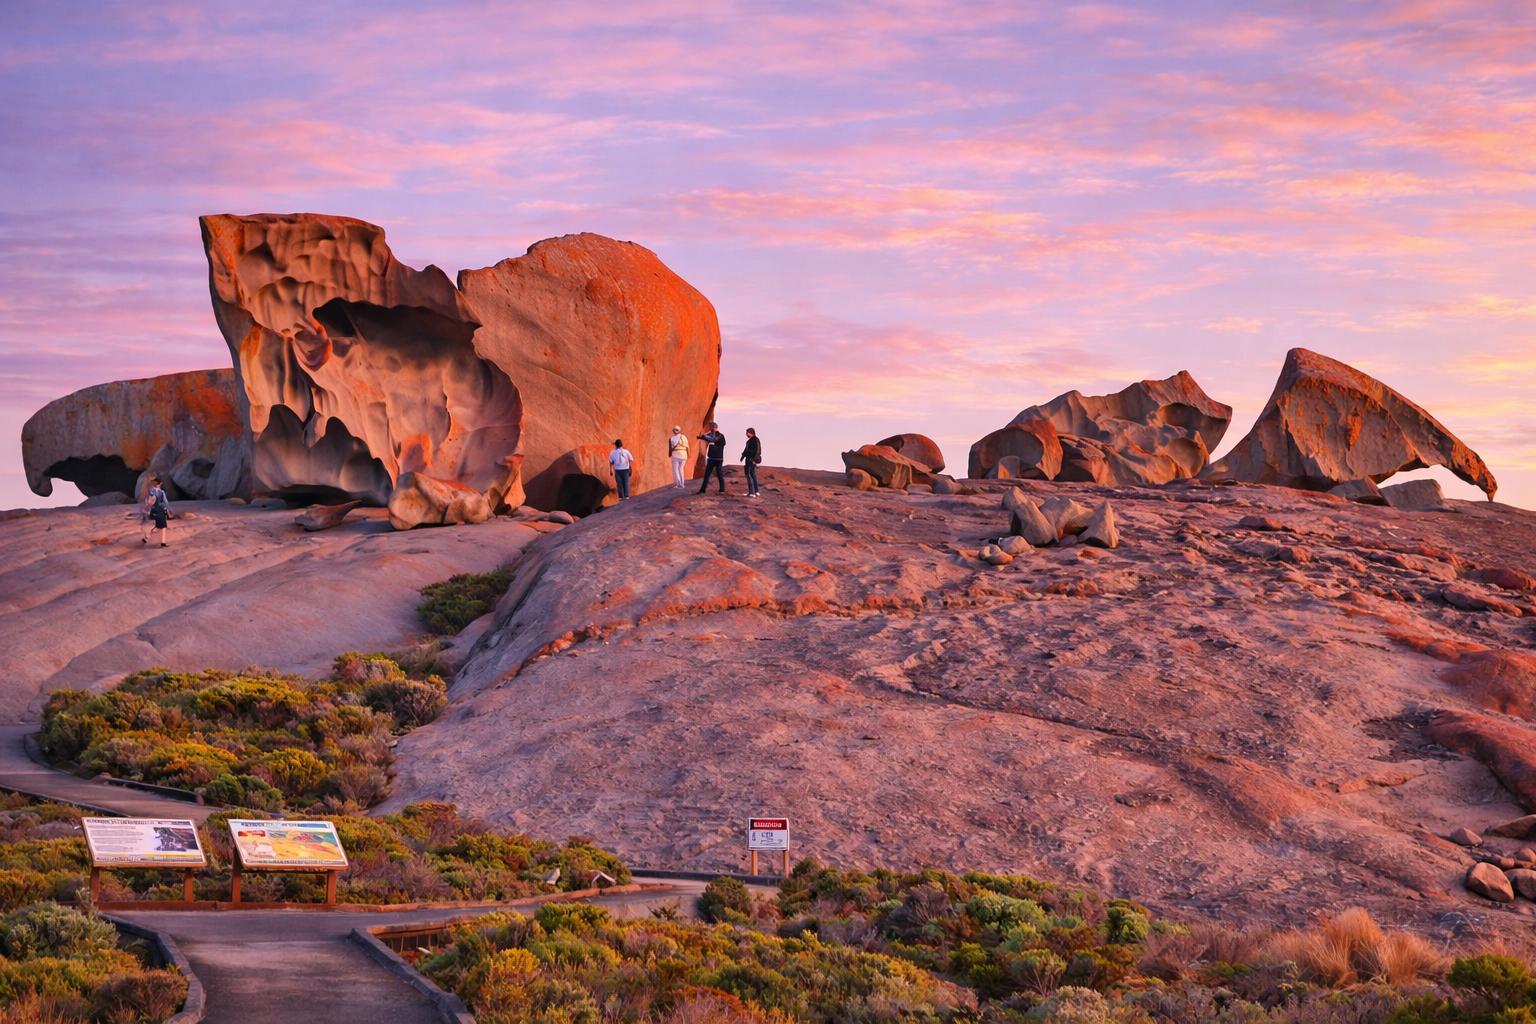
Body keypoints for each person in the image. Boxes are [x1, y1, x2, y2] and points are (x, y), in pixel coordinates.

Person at [697, 421, 727, 494]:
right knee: (707, 474)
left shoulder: (720, 435)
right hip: (711, 458)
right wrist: (702, 437)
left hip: (718, 459)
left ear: (715, 427)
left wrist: (705, 437)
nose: (710, 428)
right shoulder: (710, 434)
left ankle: (722, 490)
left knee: (719, 474)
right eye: (710, 427)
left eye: (711, 427)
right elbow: (706, 438)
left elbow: (715, 440)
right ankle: (702, 490)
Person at [140, 476, 169, 547]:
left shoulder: (151, 491)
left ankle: (146, 538)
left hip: (153, 510)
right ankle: (163, 543)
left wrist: (146, 508)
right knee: (164, 527)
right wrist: (167, 510)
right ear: (160, 483)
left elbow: (148, 501)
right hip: (160, 510)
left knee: (157, 526)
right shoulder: (161, 492)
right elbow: (165, 502)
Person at [741, 427, 762, 498]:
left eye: (747, 433)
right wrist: (743, 456)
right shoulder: (751, 440)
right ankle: (756, 491)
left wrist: (753, 459)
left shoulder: (754, 440)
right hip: (750, 459)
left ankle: (752, 492)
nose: (746, 434)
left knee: (749, 475)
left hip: (751, 460)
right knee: (752, 475)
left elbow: (758, 451)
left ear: (751, 433)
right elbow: (746, 450)